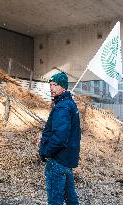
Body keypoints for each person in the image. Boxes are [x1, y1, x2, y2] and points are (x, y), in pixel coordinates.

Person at [38, 72, 81, 205]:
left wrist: (45, 152)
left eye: (55, 85)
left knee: (55, 199)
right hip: (67, 159)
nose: (51, 88)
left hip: (57, 160)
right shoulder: (70, 104)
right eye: (50, 85)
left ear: (63, 87)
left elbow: (60, 137)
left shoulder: (62, 107)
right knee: (70, 198)